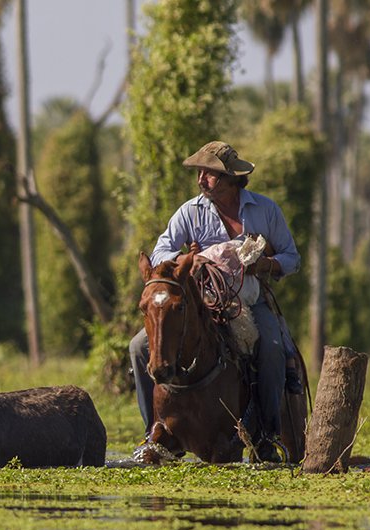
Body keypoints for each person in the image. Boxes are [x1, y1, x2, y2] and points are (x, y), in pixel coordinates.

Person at [129, 140, 301, 460]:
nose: (201, 180)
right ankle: (150, 431)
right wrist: (190, 259)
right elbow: (160, 253)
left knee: (273, 349)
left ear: (232, 179)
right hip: (198, 302)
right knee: (138, 347)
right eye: (200, 173)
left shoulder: (265, 210)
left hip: (250, 301)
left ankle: (267, 434)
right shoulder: (189, 211)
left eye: (210, 174)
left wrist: (265, 264)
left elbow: (292, 257)